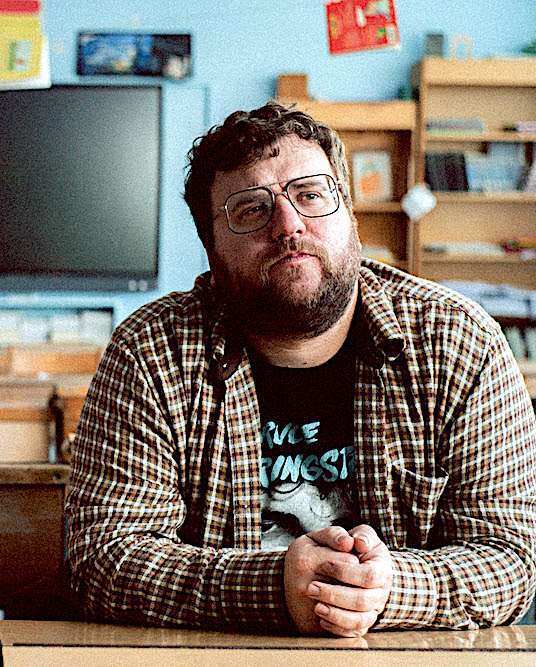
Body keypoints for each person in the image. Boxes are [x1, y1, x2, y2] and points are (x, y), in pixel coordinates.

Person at [65, 102, 536, 637]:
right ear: (212, 251)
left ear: (350, 215)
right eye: (250, 210)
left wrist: (390, 588)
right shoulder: (150, 353)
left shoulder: (460, 343)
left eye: (311, 194)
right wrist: (271, 588)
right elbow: (102, 561)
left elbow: (511, 560)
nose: (289, 225)